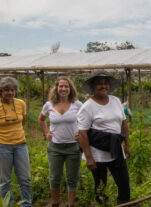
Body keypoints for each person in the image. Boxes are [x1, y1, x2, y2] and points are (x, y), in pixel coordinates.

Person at [78, 71, 130, 205]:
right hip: (97, 153)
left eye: (106, 83)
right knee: (100, 186)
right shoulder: (87, 107)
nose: (103, 86)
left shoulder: (116, 101)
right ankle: (102, 204)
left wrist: (127, 145)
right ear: (93, 87)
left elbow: (124, 124)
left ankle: (123, 203)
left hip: (116, 149)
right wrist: (89, 157)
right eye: (99, 84)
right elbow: (83, 133)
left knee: (124, 183)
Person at [38, 76, 82, 207]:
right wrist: (46, 132)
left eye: (66, 86)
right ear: (56, 88)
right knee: (54, 178)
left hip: (73, 147)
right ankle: (55, 203)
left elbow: (87, 120)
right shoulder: (49, 105)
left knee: (72, 178)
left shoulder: (78, 105)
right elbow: (41, 119)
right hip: (55, 147)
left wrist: (81, 133)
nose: (63, 89)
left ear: (70, 89)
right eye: (61, 86)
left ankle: (70, 204)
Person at [0, 77, 31, 207]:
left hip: (20, 145)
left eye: (13, 90)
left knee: (25, 179)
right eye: (7, 90)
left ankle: (26, 204)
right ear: (1, 91)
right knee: (4, 181)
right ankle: (7, 204)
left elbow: (22, 121)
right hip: (3, 146)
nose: (10, 93)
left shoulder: (21, 103)